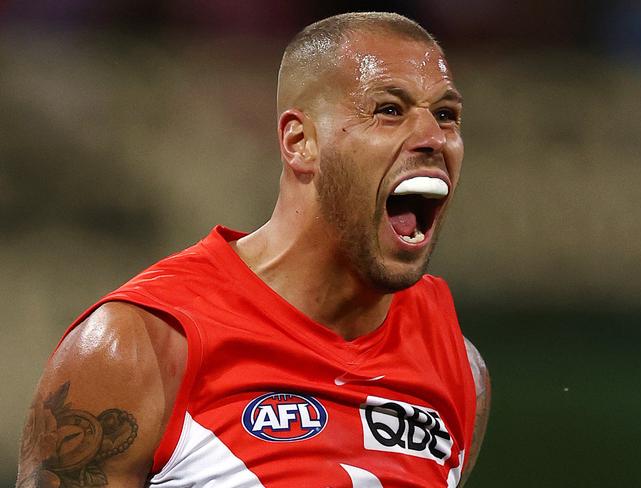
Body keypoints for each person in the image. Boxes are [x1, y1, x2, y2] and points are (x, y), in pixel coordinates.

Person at [16, 11, 490, 488]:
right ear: (299, 141)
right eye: (390, 109)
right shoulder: (142, 347)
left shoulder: (458, 369)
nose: (434, 139)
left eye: (447, 115)